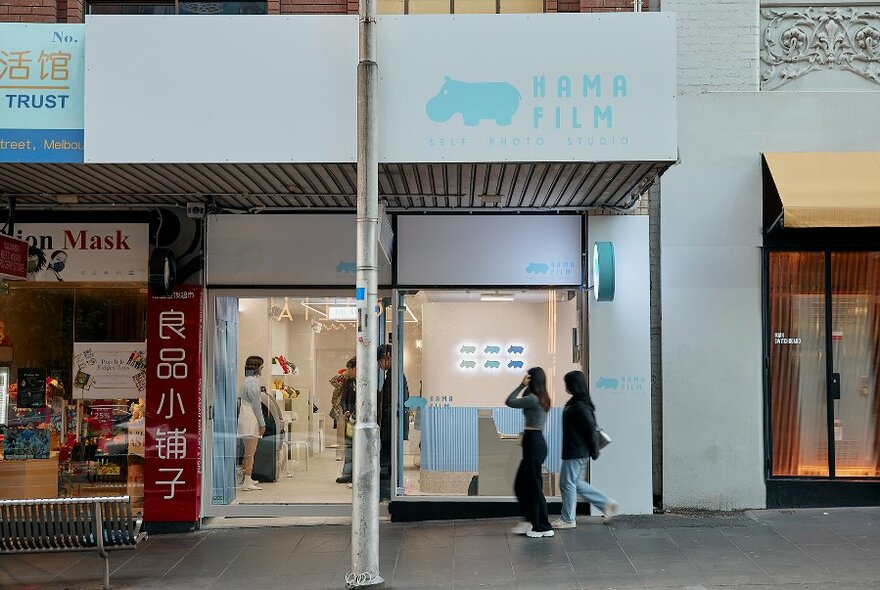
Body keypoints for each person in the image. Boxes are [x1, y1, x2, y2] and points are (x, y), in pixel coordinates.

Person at [552, 370, 619, 529]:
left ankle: (568, 518)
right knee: (576, 483)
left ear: (573, 385)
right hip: (576, 450)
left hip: (576, 451)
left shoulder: (580, 405)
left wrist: (595, 450)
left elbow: (590, 429)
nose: (565, 387)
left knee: (567, 483)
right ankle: (606, 504)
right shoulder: (577, 402)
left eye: (567, 383)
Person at [505, 368, 554, 538]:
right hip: (534, 442)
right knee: (522, 485)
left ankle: (542, 526)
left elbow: (509, 401)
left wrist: (520, 385)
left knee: (533, 487)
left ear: (532, 379)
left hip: (534, 443)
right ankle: (531, 520)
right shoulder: (542, 397)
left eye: (529, 377)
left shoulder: (533, 399)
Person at [377, 344, 409, 500]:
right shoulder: (393, 375)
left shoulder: (394, 376)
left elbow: (392, 404)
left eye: (379, 361)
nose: (379, 365)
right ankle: (388, 491)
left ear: (387, 358)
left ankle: (387, 492)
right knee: (389, 461)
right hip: (392, 428)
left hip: (391, 428)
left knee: (387, 461)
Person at [238, 355, 266, 491]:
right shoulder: (253, 383)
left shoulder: (245, 381)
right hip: (251, 419)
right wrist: (262, 424)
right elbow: (257, 406)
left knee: (247, 452)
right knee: (250, 453)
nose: (262, 369)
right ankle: (247, 481)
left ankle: (246, 478)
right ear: (257, 367)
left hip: (244, 418)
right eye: (261, 367)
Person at [336, 357, 356, 485]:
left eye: (349, 369)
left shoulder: (365, 382)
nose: (348, 372)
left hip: (360, 419)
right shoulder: (348, 382)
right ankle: (347, 473)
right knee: (349, 446)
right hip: (350, 420)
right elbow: (344, 399)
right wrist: (346, 411)